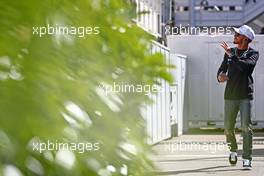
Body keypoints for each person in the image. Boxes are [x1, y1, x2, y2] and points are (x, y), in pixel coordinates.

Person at [217, 25, 259, 169]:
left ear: (246, 39)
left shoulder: (253, 53)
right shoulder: (230, 52)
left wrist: (231, 56)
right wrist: (220, 76)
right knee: (228, 128)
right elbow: (222, 68)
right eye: (235, 33)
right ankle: (233, 150)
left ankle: (247, 158)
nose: (234, 35)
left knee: (246, 127)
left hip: (245, 96)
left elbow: (245, 68)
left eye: (238, 34)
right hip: (229, 96)